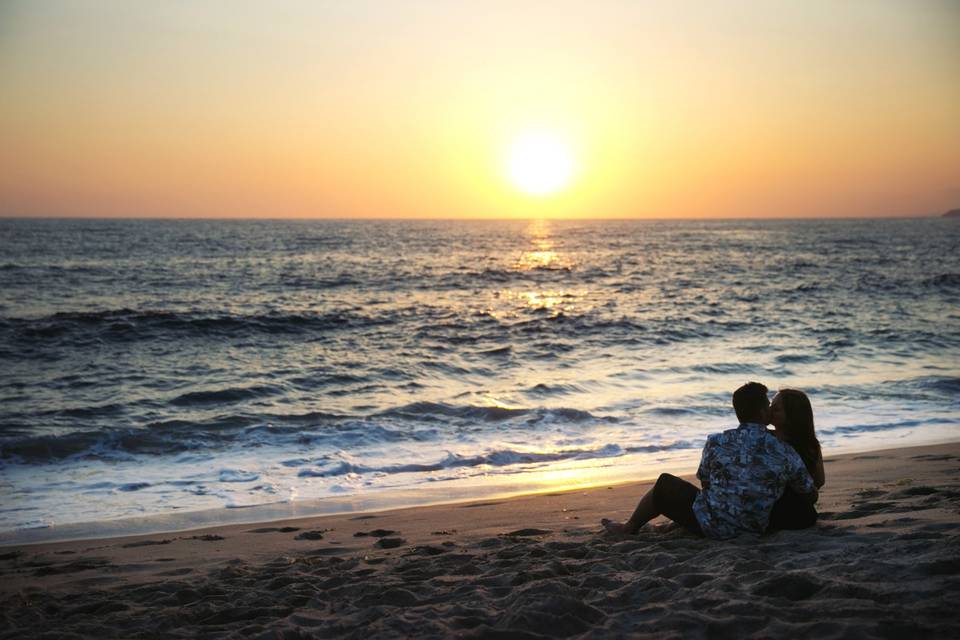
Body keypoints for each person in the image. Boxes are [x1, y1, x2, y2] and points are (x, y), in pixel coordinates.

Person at [601, 382, 817, 539]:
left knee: (665, 483)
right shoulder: (785, 451)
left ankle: (630, 527)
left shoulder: (716, 442)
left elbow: (706, 481)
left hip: (709, 526)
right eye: (769, 406)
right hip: (753, 529)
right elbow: (809, 491)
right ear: (762, 412)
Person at [766, 388, 824, 531]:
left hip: (776, 516)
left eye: (776, 409)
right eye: (770, 406)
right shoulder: (811, 443)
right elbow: (820, 481)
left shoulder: (766, 441)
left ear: (792, 415)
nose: (770, 410)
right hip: (804, 515)